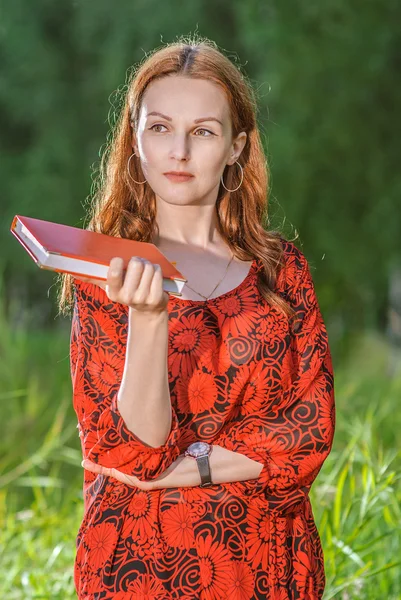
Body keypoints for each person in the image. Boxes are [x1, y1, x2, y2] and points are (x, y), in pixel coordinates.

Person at [60, 35, 336, 600]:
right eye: (159, 128)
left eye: (202, 131)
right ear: (134, 141)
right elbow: (133, 450)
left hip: (270, 566)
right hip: (139, 571)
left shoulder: (282, 273)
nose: (179, 151)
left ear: (236, 147)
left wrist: (194, 464)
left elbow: (309, 432)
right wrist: (149, 317)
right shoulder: (103, 274)